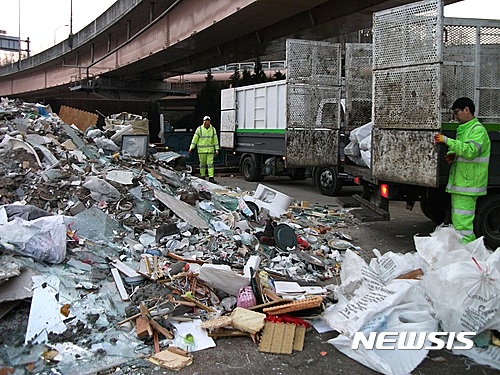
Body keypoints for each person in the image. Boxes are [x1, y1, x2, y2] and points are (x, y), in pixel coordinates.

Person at [434, 97, 490, 244]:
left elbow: (470, 151)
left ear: (467, 110)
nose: (455, 116)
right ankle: (465, 254)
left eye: (457, 112)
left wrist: (446, 140)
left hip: (468, 185)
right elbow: (462, 150)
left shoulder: (477, 130)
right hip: (462, 184)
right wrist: (452, 155)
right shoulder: (464, 130)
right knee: (460, 224)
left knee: (463, 227)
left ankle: (467, 255)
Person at [189, 116, 220, 183]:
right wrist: (191, 147)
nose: (207, 122)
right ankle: (202, 176)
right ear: (203, 121)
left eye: (208, 121)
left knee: (210, 164)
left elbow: (215, 139)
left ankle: (211, 177)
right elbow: (195, 139)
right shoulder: (199, 129)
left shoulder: (213, 129)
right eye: (206, 120)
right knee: (202, 164)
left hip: (210, 150)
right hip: (202, 151)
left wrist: (216, 149)